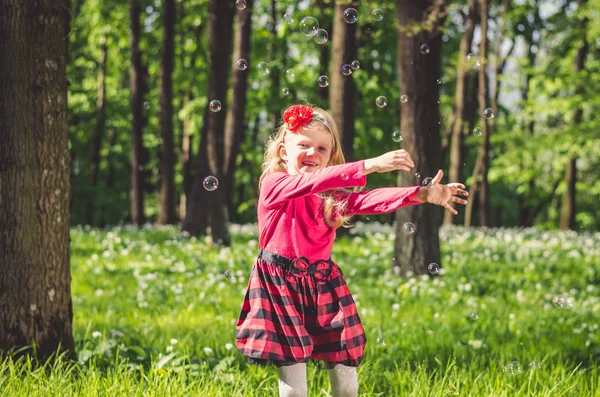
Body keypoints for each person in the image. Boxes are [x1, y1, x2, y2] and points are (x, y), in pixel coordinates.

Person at [236, 104, 468, 397]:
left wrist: (421, 194)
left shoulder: (329, 196)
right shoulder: (274, 184)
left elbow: (368, 199)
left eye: (322, 149)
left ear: (330, 158)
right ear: (283, 151)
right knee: (295, 391)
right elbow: (309, 182)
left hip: (323, 284)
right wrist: (368, 165)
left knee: (347, 385)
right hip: (280, 285)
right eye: (304, 145)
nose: (313, 153)